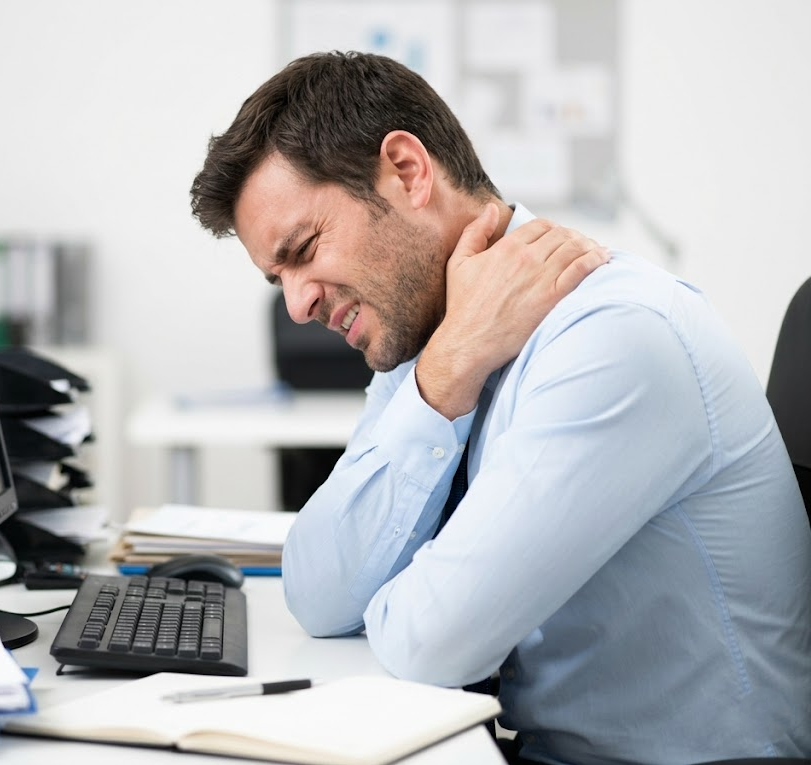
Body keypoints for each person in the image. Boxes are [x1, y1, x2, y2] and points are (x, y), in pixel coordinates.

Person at [189, 51, 811, 765]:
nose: (298, 303)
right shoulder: (437, 337)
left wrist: (397, 579)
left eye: (304, 250)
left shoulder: (613, 338)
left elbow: (429, 642)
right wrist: (444, 373)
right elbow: (317, 587)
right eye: (279, 279)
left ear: (408, 170)